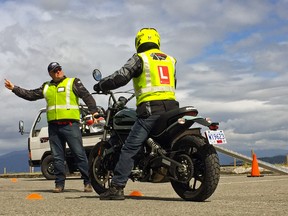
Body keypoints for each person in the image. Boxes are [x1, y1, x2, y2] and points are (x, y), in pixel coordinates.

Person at [93, 28, 179, 200]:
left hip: (150, 111)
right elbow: (173, 83)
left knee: (129, 148)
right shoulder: (171, 60)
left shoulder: (140, 58)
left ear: (138, 42)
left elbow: (121, 77)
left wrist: (101, 85)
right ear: (157, 41)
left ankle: (117, 187)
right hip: (172, 109)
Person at [4, 62, 99, 193]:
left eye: (59, 69)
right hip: (54, 127)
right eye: (54, 71)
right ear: (50, 73)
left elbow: (87, 96)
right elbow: (30, 95)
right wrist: (14, 88)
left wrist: (94, 111)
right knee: (57, 157)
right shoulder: (46, 86)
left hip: (71, 125)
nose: (58, 72)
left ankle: (87, 183)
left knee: (79, 154)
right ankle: (59, 184)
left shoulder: (73, 82)